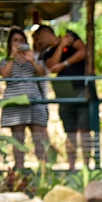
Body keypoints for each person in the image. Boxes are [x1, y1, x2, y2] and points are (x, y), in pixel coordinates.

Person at [34, 25, 91, 171]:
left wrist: (65, 63)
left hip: (81, 87)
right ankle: (71, 167)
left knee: (84, 128)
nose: (37, 43)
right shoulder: (46, 53)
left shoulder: (70, 36)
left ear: (45, 33)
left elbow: (83, 51)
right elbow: (52, 66)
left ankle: (86, 166)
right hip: (63, 91)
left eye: (38, 38)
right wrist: (60, 46)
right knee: (69, 131)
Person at [0, 27, 51, 170]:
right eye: (15, 40)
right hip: (15, 103)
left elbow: (42, 74)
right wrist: (13, 55)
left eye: (22, 40)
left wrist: (31, 59)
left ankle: (44, 172)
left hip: (34, 101)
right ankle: (19, 171)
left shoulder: (33, 58)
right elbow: (5, 75)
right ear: (10, 44)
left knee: (40, 139)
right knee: (18, 139)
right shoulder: (5, 61)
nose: (19, 43)